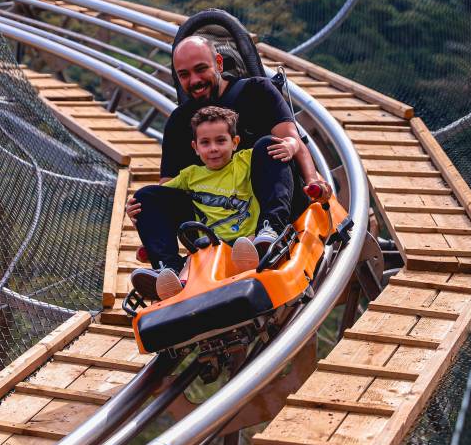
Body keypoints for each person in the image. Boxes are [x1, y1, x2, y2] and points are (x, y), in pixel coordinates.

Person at [126, 34, 328, 298]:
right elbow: (169, 188)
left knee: (269, 145)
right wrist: (149, 217)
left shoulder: (257, 91)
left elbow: (291, 139)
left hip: (265, 199)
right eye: (184, 74)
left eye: (201, 69)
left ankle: (270, 233)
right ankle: (170, 272)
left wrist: (313, 180)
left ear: (218, 63)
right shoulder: (179, 123)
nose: (194, 81)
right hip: (213, 216)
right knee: (146, 197)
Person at [131, 106, 270, 299]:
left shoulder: (246, 161)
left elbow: (276, 153)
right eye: (205, 143)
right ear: (195, 148)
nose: (213, 148)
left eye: (221, 141)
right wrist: (140, 217)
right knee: (145, 196)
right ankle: (170, 276)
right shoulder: (190, 176)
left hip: (245, 242)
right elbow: (156, 205)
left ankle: (257, 256)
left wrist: (292, 145)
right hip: (207, 245)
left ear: (235, 142)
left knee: (243, 248)